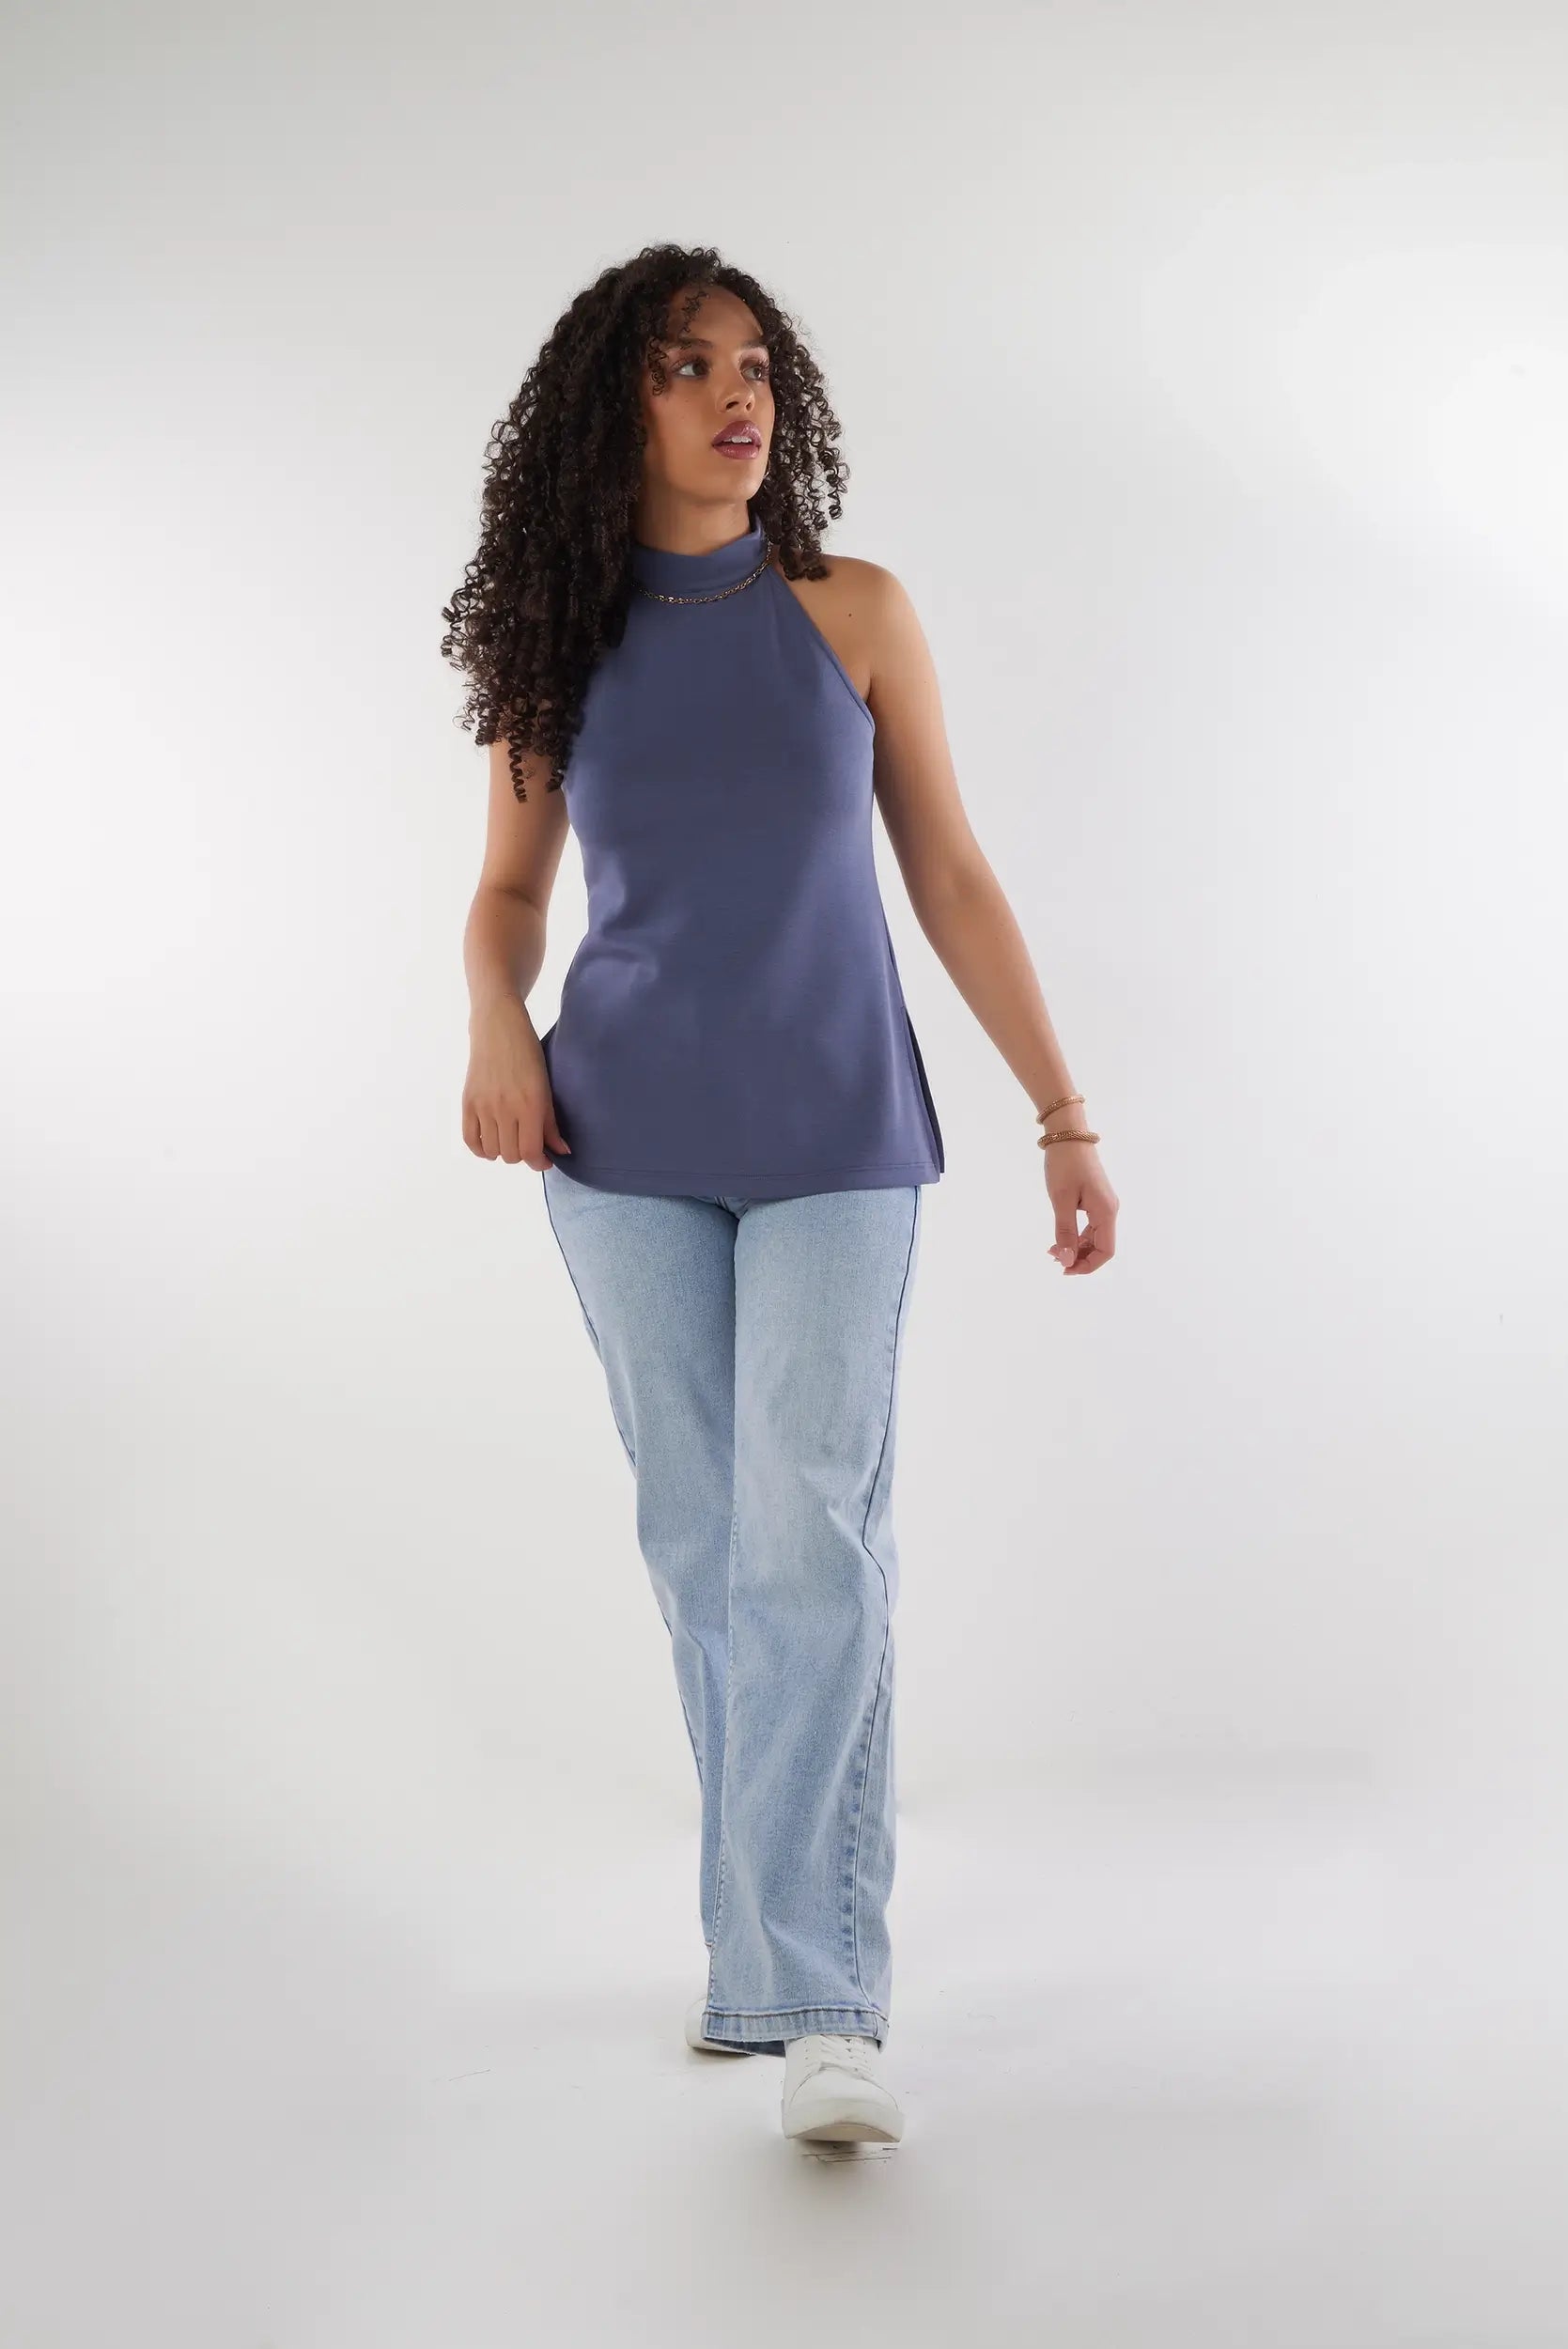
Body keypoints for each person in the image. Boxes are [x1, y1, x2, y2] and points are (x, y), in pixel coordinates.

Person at [444, 244, 1119, 2148]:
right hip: (615, 1148)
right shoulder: (557, 639)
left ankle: (821, 2002)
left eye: (751, 364)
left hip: (837, 1135)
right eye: (685, 366)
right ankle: (759, 1961)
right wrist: (492, 1022)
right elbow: (506, 893)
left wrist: (1061, 1111)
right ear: (616, 407)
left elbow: (951, 875)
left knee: (806, 1537)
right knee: (703, 1546)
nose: (733, 393)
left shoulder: (855, 610)